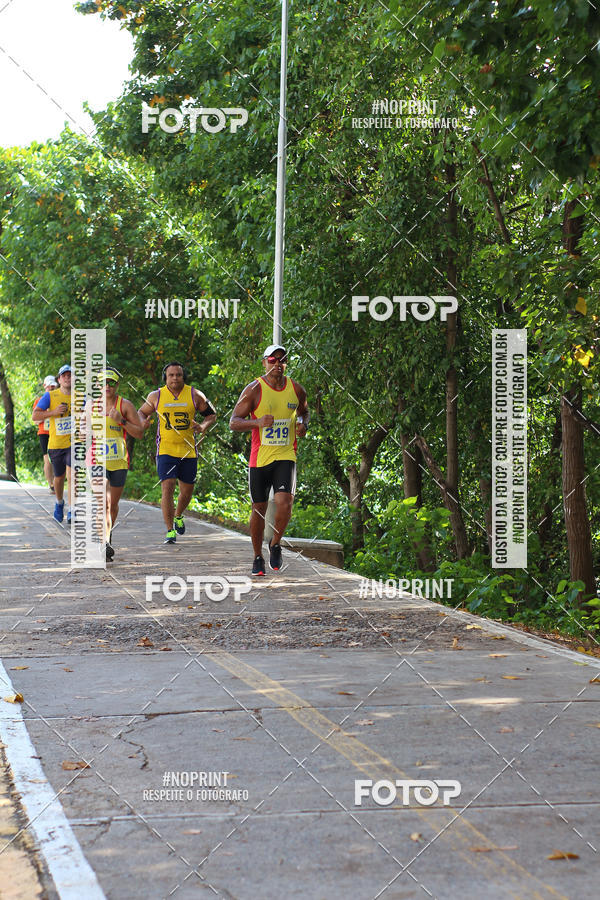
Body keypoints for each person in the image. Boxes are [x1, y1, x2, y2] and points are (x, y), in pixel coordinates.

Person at [229, 344, 309, 575]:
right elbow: (234, 421)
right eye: (273, 360)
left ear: (286, 364)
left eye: (282, 360)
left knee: (285, 502)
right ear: (264, 362)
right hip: (260, 459)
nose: (277, 364)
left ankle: (275, 542)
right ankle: (257, 556)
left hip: (286, 455)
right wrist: (257, 422)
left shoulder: (296, 389)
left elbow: (305, 411)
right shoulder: (254, 389)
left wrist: (304, 424)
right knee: (259, 508)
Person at [138, 362, 216, 544]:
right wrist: (143, 421)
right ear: (165, 377)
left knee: (187, 492)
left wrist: (203, 426)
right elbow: (141, 412)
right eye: (171, 375)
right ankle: (169, 530)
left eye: (178, 375)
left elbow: (211, 415)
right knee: (168, 486)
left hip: (188, 450)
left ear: (183, 376)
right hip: (165, 449)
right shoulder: (156, 396)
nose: (175, 378)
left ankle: (179, 514)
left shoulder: (195, 395)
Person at [86, 367, 144, 561]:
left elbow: (140, 433)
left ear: (117, 385)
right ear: (97, 386)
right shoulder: (90, 406)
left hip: (119, 461)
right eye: (103, 382)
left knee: (113, 505)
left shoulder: (124, 405)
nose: (107, 386)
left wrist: (121, 422)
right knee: (105, 501)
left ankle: (107, 537)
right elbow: (81, 434)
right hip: (95, 459)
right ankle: (103, 544)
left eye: (111, 382)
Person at [32, 364, 72, 523]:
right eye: (65, 375)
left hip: (74, 443)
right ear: (59, 379)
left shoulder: (81, 396)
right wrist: (54, 413)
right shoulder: (50, 396)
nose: (68, 378)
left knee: (72, 474)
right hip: (56, 443)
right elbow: (35, 416)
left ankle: (73, 510)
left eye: (70, 375)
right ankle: (60, 502)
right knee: (59, 477)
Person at [33, 375, 58, 493]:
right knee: (47, 458)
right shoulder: (39, 401)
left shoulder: (59, 399)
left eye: (54, 387)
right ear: (45, 387)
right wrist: (48, 413)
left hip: (58, 431)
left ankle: (58, 480)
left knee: (58, 458)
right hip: (44, 432)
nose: (52, 389)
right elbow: (35, 420)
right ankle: (51, 484)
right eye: (49, 387)